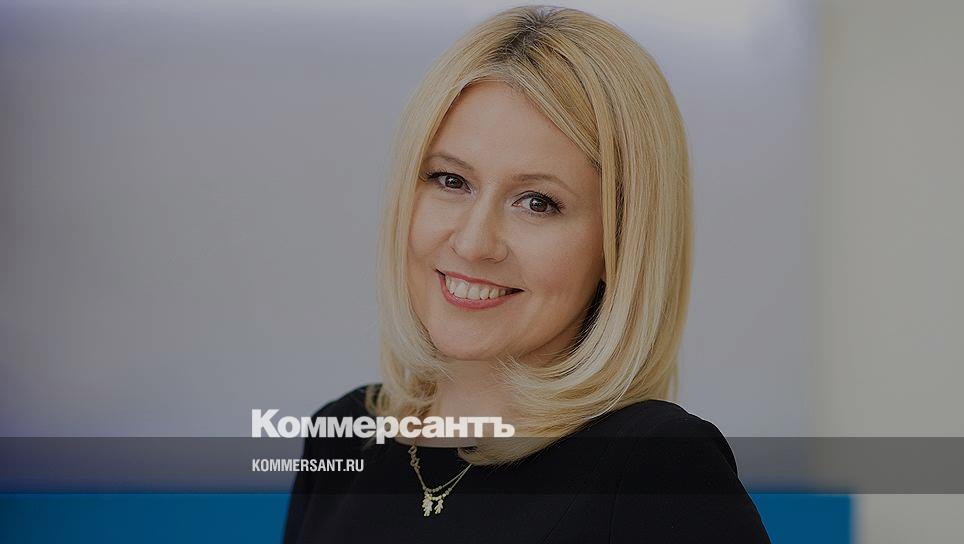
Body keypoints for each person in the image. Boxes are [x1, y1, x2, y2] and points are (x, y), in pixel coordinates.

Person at [284, 5, 771, 543]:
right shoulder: (341, 437)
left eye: (537, 202)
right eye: (450, 180)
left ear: (619, 244)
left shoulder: (659, 468)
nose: (473, 242)